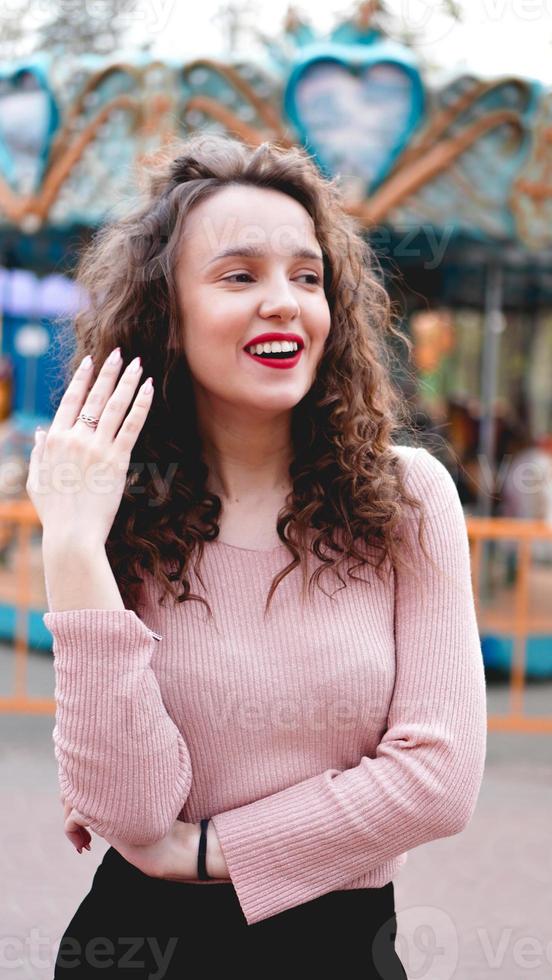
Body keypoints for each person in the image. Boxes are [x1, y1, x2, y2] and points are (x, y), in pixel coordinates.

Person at [26, 133, 487, 978]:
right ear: (167, 313)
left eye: (307, 277)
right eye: (239, 276)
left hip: (343, 949)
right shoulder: (120, 515)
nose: (285, 302)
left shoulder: (408, 499)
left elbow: (440, 779)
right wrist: (72, 543)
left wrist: (205, 849)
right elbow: (131, 810)